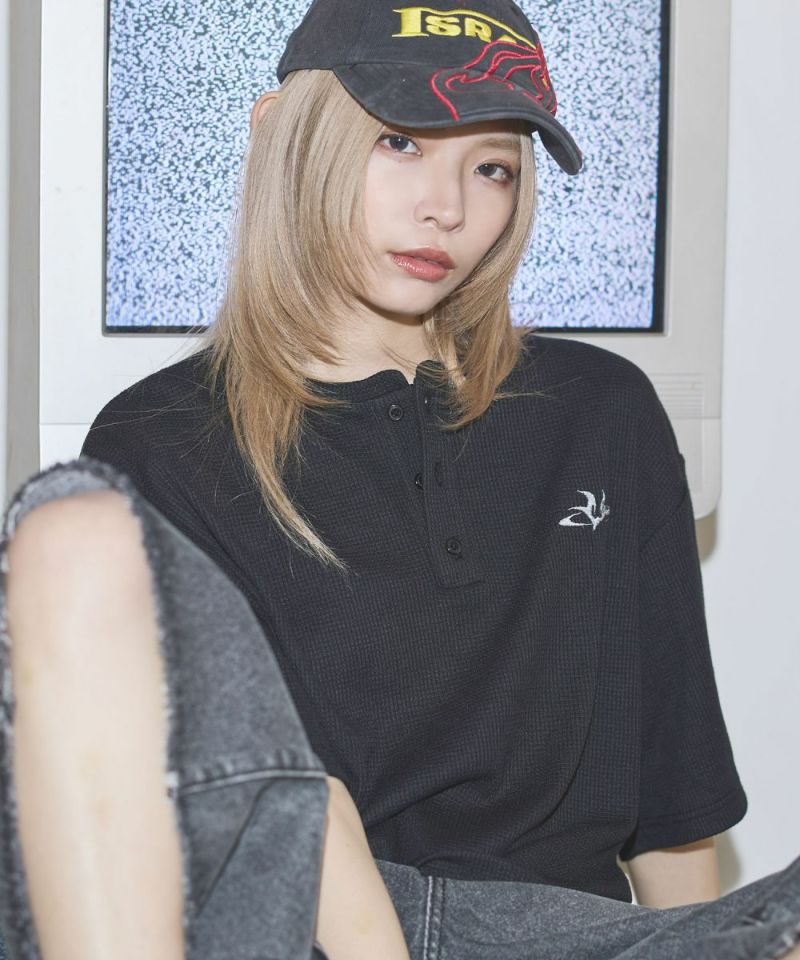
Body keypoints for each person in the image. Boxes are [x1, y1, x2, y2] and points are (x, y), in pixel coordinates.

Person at [0, 0, 799, 958]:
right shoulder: (160, 442)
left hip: (561, 931)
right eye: (399, 143)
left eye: (492, 167)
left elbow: (672, 808)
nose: (447, 208)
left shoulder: (603, 412)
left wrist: (707, 942)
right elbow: (191, 825)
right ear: (282, 137)